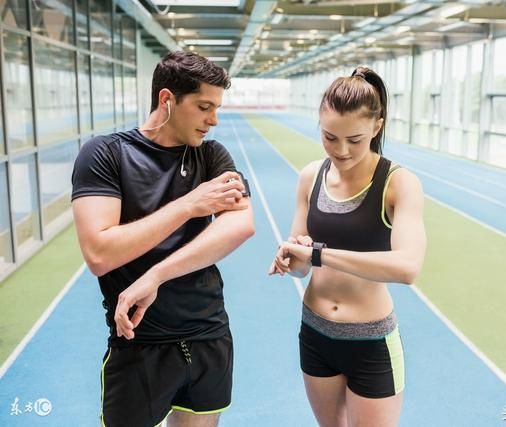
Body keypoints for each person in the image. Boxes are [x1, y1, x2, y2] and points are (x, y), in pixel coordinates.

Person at [71, 51, 255, 427]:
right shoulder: (106, 154)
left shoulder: (212, 155)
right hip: (140, 342)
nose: (214, 120)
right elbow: (100, 253)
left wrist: (156, 275)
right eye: (204, 106)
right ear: (167, 99)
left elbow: (240, 225)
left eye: (217, 108)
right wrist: (189, 205)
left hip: (208, 335)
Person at [269, 66, 426, 427]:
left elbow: (408, 268)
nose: (341, 150)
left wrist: (320, 254)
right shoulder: (311, 176)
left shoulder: (398, 184)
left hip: (371, 343)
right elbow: (303, 264)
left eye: (354, 140)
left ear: (377, 126)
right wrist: (291, 257)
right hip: (315, 333)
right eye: (329, 137)